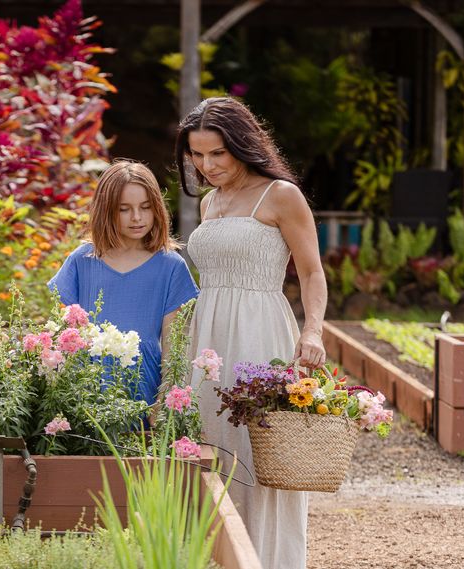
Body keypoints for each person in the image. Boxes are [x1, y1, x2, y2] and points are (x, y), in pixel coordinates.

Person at [175, 96, 327, 569]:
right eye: (197, 155)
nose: (207, 165)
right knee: (211, 446)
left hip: (259, 332)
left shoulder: (280, 195)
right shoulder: (209, 202)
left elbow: (312, 272)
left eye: (217, 153)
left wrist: (314, 331)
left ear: (242, 144)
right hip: (208, 337)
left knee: (259, 452)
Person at [48, 159, 199, 406]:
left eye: (145, 207)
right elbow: (63, 336)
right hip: (86, 388)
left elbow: (173, 347)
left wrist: (163, 401)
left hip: (144, 386)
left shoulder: (171, 266)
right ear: (106, 210)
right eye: (124, 209)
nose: (137, 217)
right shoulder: (81, 260)